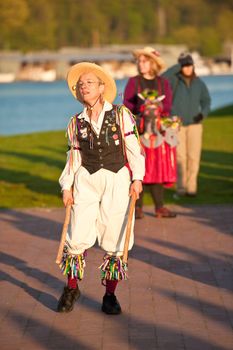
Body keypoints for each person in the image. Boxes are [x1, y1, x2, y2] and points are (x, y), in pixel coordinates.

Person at [57, 62, 145, 315]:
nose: (84, 87)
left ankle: (110, 295)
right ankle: (71, 288)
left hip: (117, 178)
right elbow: (74, 155)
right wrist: (67, 185)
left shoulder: (121, 114)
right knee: (76, 235)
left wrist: (137, 178)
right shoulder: (76, 122)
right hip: (86, 179)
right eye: (80, 84)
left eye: (89, 83)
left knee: (115, 236)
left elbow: (134, 149)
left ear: (102, 87)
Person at [124, 47, 178, 219]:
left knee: (157, 168)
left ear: (153, 63)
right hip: (139, 130)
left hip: (158, 132)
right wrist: (141, 114)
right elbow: (127, 106)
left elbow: (168, 105)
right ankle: (137, 207)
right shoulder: (134, 82)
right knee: (138, 167)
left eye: (144, 61)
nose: (141, 64)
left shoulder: (163, 83)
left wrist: (158, 111)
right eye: (139, 61)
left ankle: (159, 207)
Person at [162, 52, 211, 197]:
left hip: (195, 125)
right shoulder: (173, 80)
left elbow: (206, 101)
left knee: (194, 157)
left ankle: (191, 188)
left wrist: (203, 114)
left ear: (193, 66)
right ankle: (181, 188)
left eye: (189, 65)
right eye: (185, 66)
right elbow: (162, 78)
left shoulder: (199, 83)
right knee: (180, 157)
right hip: (177, 125)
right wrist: (178, 64)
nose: (188, 68)